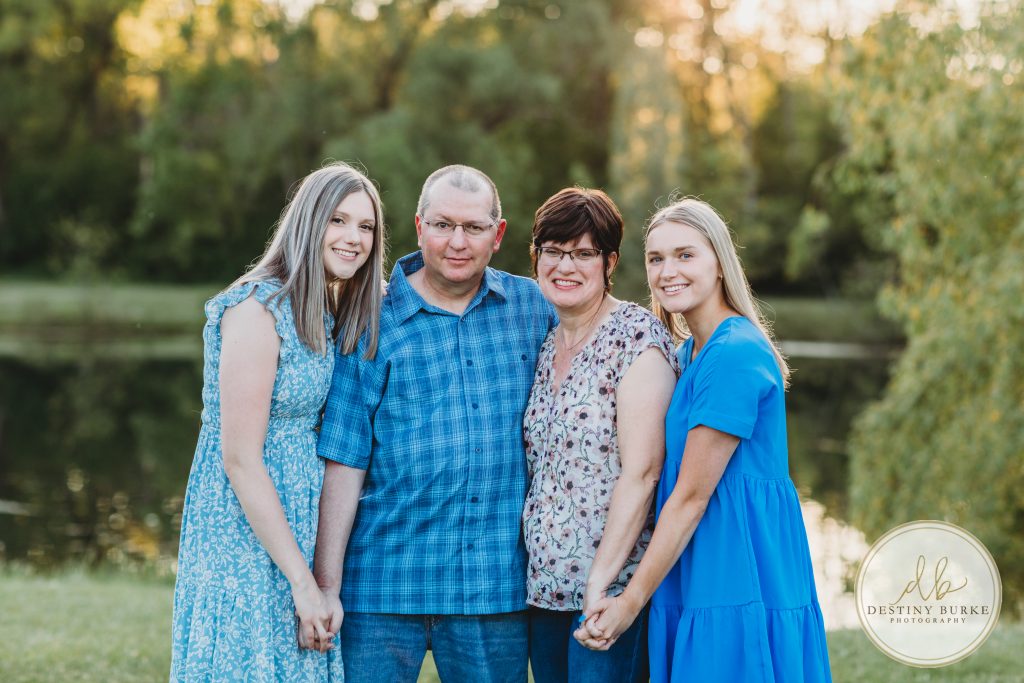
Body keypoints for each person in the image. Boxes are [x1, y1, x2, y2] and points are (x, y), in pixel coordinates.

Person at [314, 165, 556, 683]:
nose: (457, 242)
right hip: (382, 583)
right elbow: (344, 459)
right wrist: (326, 586)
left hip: (491, 588)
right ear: (419, 227)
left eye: (474, 227)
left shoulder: (535, 309)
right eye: (443, 225)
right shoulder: (369, 318)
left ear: (498, 234)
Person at [575, 198, 832, 682]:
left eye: (685, 255)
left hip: (735, 560)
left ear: (719, 263)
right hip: (697, 556)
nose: (667, 271)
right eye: (656, 258)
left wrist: (630, 602)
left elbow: (692, 497)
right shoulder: (689, 352)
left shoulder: (732, 353)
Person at [170, 162, 386, 681]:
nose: (353, 238)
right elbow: (241, 459)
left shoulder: (325, 302)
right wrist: (302, 582)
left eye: (366, 226)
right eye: (338, 220)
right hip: (245, 528)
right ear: (308, 222)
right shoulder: (257, 309)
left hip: (298, 516)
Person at [522, 188, 677, 683]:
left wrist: (600, 584)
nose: (565, 266)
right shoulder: (549, 342)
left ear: (609, 262)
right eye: (553, 251)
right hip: (545, 592)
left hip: (609, 595)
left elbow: (643, 473)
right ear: (536, 256)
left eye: (583, 253)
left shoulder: (636, 338)